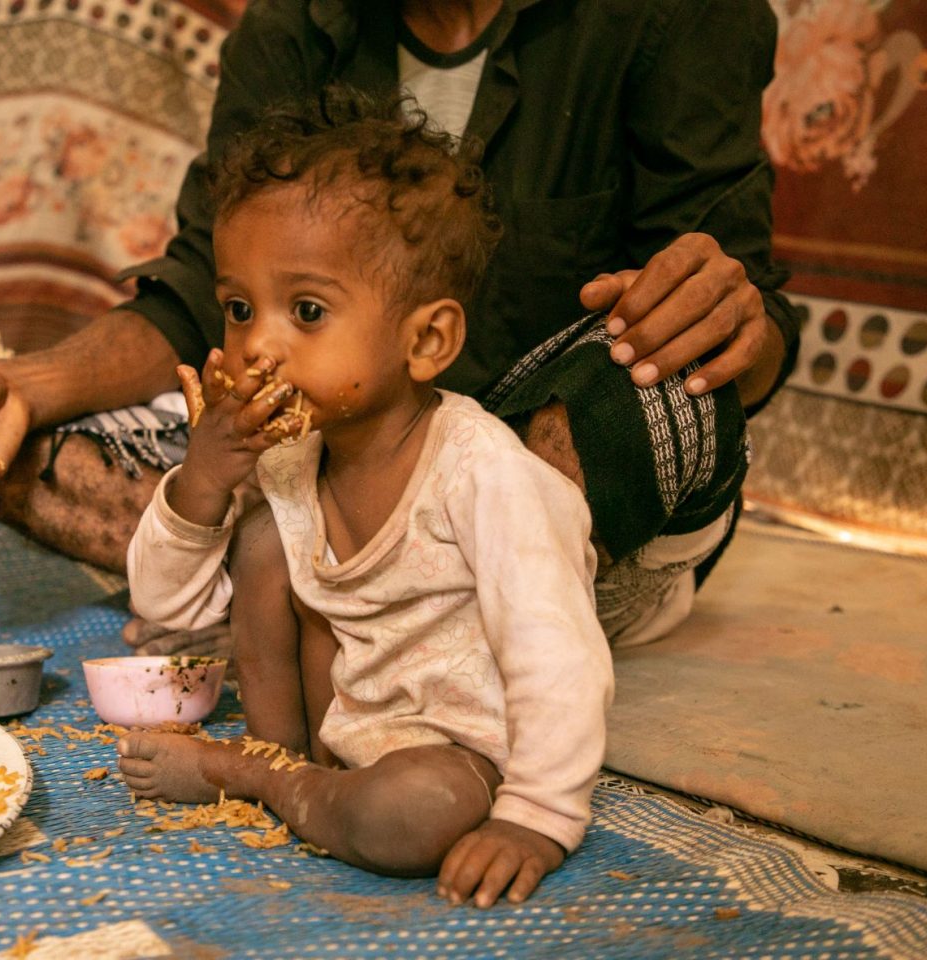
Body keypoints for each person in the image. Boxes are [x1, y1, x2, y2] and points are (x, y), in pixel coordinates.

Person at [0, 0, 790, 633]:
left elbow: (741, 322)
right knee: (23, 453)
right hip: (337, 455)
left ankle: (392, 595)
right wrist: (32, 386)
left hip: (543, 469)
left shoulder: (680, 13)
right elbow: (208, 284)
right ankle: (387, 603)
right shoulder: (293, 24)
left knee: (642, 373)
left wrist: (731, 323)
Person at [120, 88, 617, 909]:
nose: (257, 347)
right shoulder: (287, 460)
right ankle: (274, 757)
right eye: (240, 309)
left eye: (306, 311)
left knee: (407, 819)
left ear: (427, 341)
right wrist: (203, 479)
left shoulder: (483, 474)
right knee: (262, 539)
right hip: (331, 737)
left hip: (453, 757)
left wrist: (536, 815)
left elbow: (557, 654)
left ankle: (254, 779)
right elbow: (167, 609)